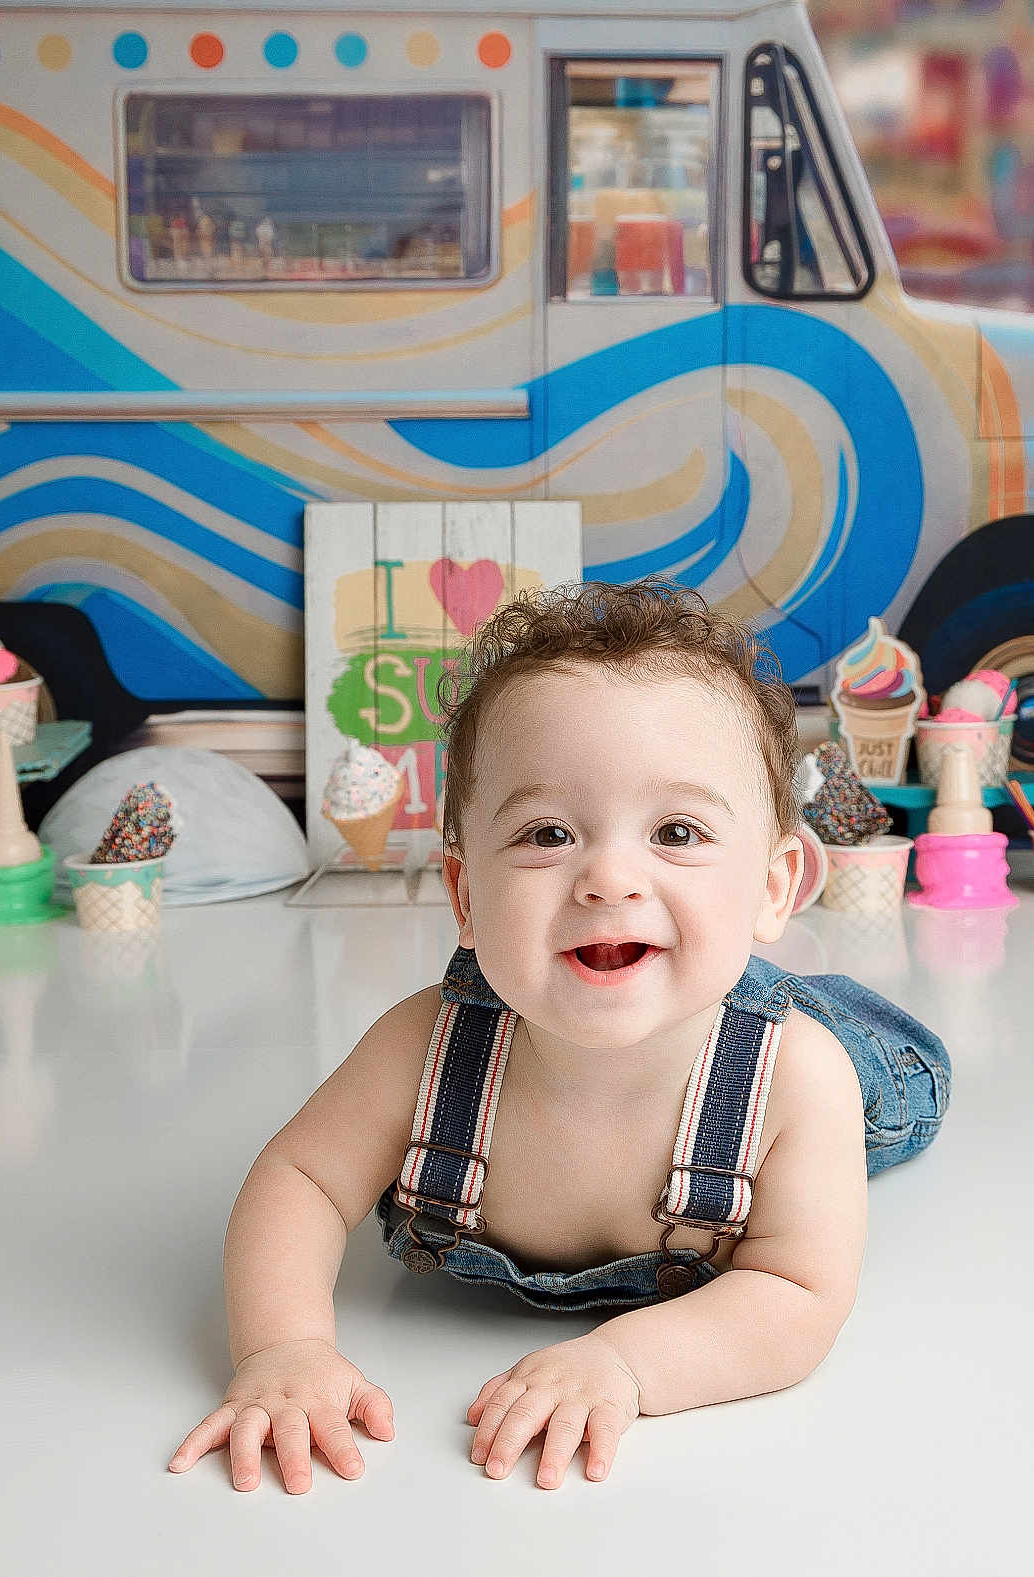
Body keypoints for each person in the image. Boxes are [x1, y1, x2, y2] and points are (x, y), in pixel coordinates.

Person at [169, 580, 951, 1493]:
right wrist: (284, 1346)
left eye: (676, 830)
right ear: (465, 894)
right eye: (547, 833)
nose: (608, 877)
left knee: (842, 1052)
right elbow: (299, 1179)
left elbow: (796, 1293)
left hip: (852, 1064)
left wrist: (625, 1361)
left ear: (774, 888)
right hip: (672, 982)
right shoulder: (423, 1049)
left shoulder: (798, 1079)